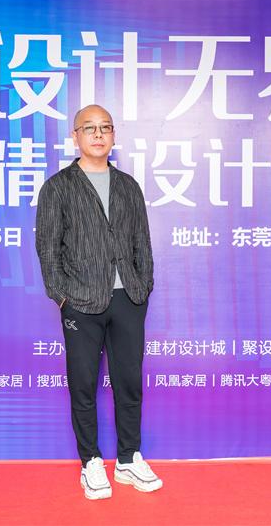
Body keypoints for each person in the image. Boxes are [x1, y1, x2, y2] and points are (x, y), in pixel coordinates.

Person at [35, 104, 163, 499]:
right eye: (89, 128)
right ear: (75, 136)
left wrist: (143, 285)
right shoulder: (58, 187)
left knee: (129, 382)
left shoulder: (128, 186)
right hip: (81, 301)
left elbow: (142, 242)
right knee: (84, 384)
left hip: (129, 299)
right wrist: (62, 296)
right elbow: (47, 248)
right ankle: (90, 461)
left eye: (105, 127)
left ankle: (128, 459)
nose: (98, 134)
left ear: (113, 135)